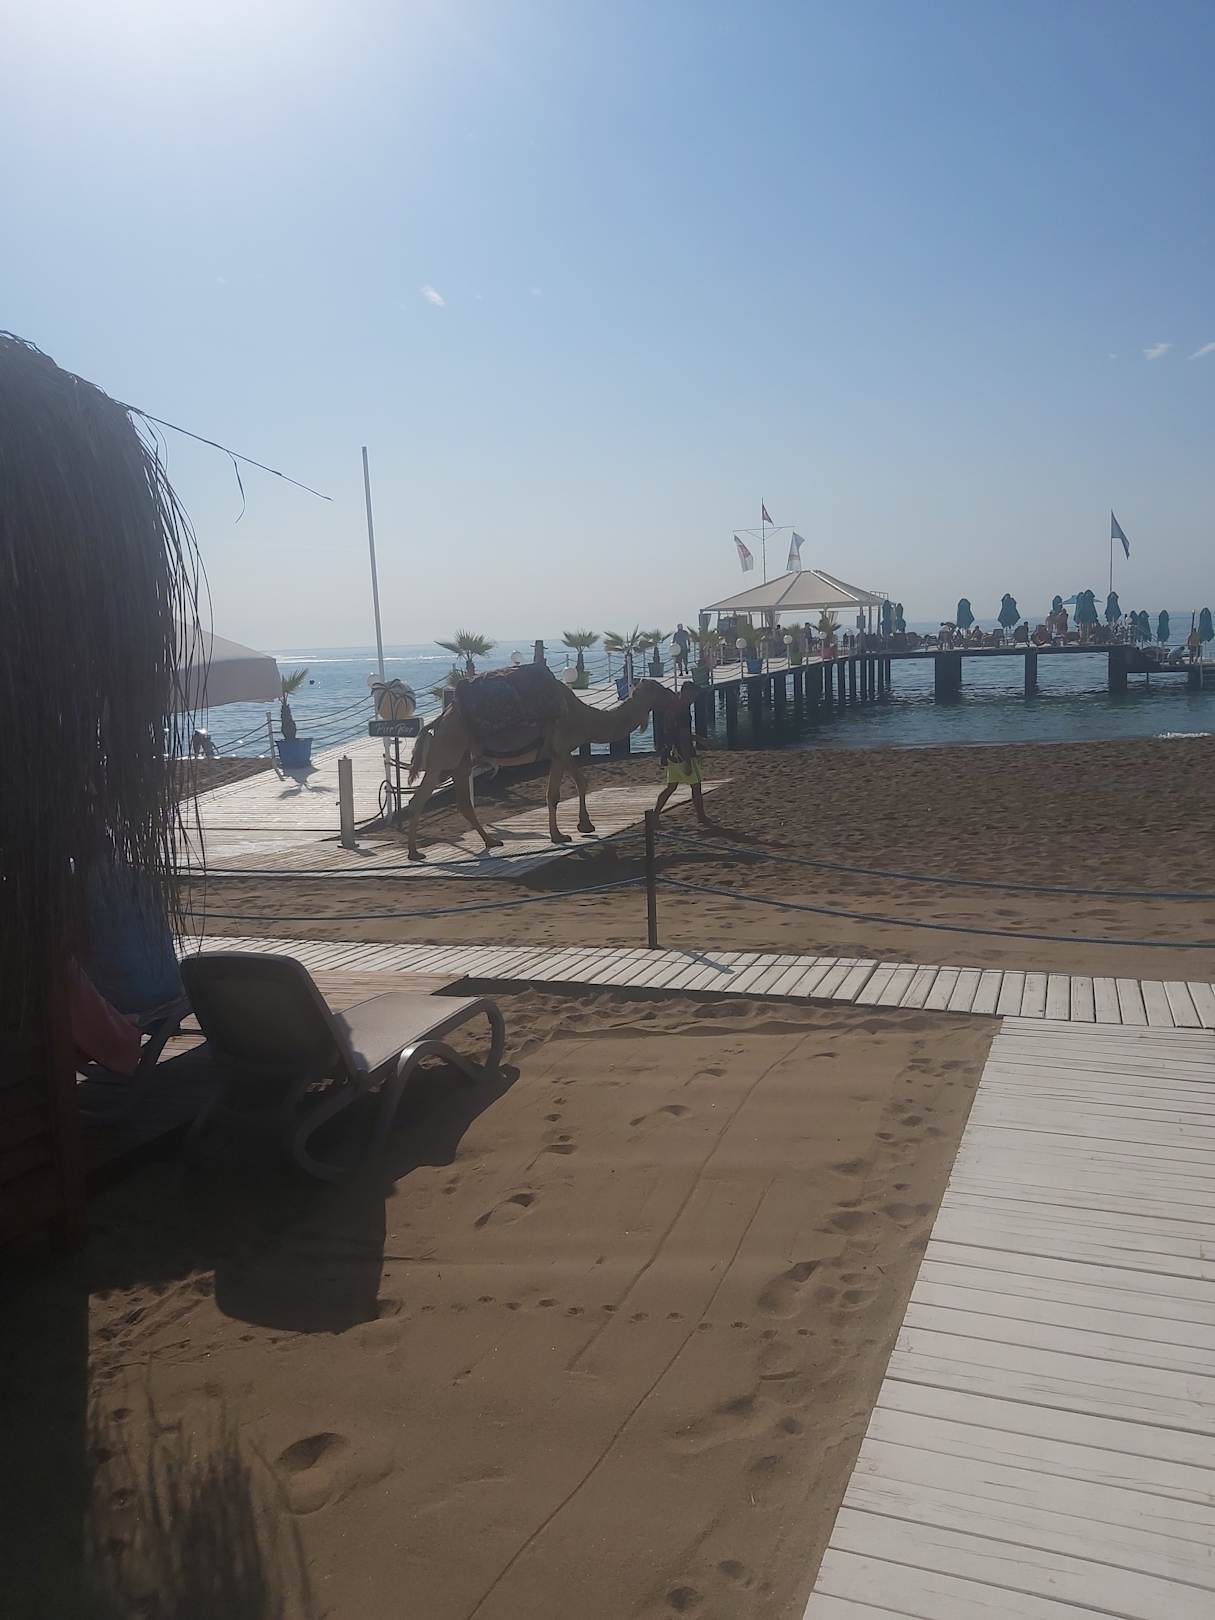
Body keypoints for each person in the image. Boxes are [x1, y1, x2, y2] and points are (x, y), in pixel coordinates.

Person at [654, 683, 711, 828]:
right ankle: (701, 817)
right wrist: (687, 760)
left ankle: (655, 816)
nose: (693, 699)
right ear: (685, 693)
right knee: (696, 786)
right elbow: (683, 737)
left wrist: (698, 739)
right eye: (692, 696)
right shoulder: (683, 711)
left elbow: (673, 732)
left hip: (671, 753)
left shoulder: (671, 708)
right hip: (682, 754)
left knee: (671, 786)